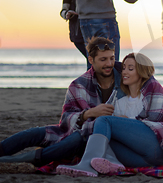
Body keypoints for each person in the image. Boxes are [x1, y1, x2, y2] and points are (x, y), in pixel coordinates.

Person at [0, 37, 125, 168]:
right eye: (103, 59)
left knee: (78, 139)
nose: (109, 64)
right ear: (91, 60)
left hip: (99, 138)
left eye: (111, 58)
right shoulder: (79, 84)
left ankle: (22, 161)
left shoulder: (126, 77)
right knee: (33, 133)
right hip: (78, 129)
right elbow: (65, 120)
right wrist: (87, 114)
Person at [57, 52, 163, 177]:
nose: (124, 72)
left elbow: (161, 118)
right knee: (101, 134)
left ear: (142, 71)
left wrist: (129, 121)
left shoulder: (154, 89)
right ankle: (114, 163)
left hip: (157, 150)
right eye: (124, 68)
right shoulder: (119, 99)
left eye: (130, 69)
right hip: (140, 160)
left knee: (105, 121)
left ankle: (87, 165)